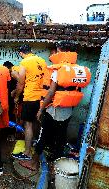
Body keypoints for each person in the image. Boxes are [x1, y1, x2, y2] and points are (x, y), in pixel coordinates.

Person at [20, 41, 91, 171]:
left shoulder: (57, 70)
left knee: (43, 137)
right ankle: (55, 168)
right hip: (68, 110)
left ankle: (34, 163)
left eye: (57, 51)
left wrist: (41, 109)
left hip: (53, 110)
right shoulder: (77, 69)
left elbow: (51, 92)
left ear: (61, 51)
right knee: (60, 139)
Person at [12, 44, 47, 160]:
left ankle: (27, 152)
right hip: (41, 97)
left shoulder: (25, 62)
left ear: (21, 53)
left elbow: (21, 83)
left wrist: (16, 96)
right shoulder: (42, 60)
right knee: (36, 122)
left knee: (28, 124)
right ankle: (34, 143)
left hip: (30, 97)